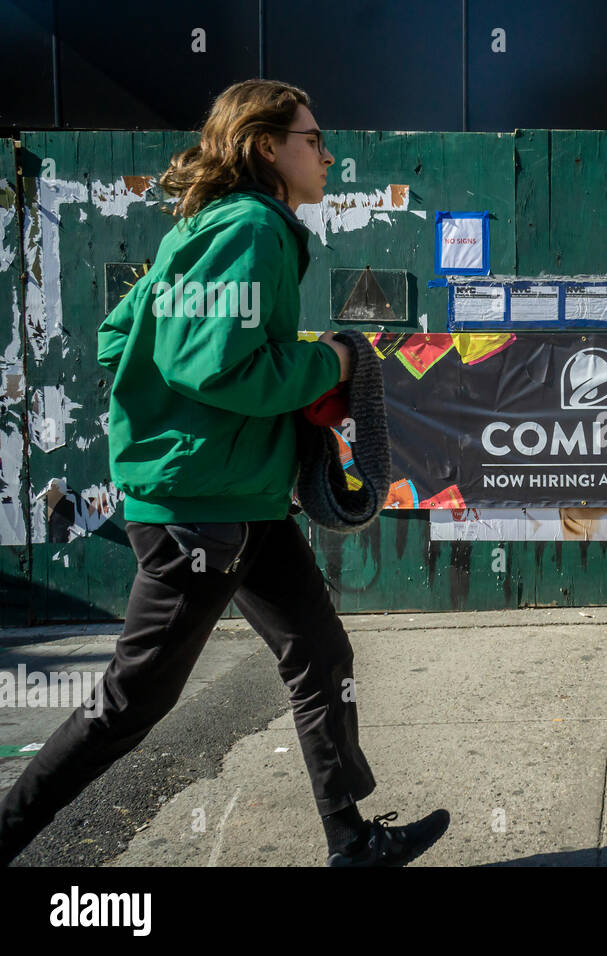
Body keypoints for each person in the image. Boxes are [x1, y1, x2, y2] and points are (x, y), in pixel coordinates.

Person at [0, 79, 446, 867]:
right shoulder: (250, 227)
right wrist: (330, 359)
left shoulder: (203, 230)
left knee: (320, 652)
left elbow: (119, 338)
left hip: (240, 499)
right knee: (130, 704)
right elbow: (213, 364)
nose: (328, 151)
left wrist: (206, 400)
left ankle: (352, 842)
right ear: (268, 147)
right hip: (200, 510)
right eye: (313, 137)